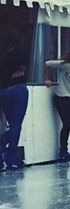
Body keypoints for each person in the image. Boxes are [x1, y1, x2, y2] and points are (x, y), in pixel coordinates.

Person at [0, 34, 28, 171]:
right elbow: (22, 71)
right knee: (16, 126)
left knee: (12, 126)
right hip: (18, 89)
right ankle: (11, 158)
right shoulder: (21, 53)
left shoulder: (4, 56)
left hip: (4, 91)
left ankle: (9, 157)